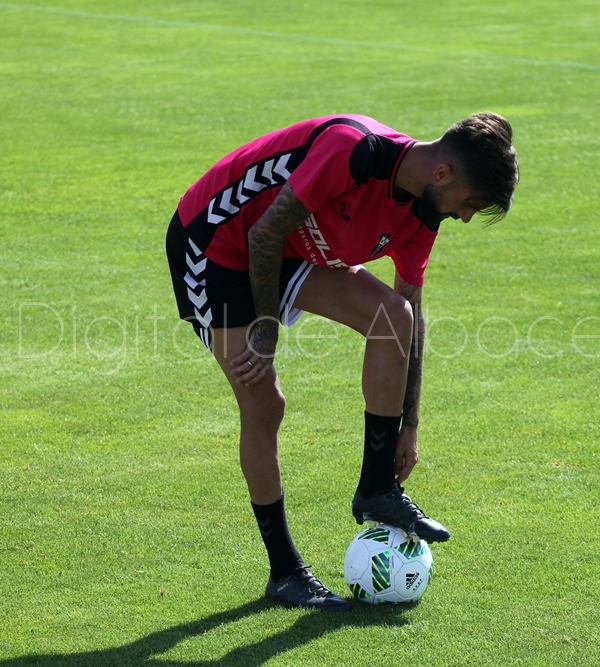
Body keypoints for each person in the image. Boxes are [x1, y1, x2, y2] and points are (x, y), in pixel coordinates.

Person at [166, 113, 518, 611]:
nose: (464, 217)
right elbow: (263, 234)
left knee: (392, 316)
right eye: (470, 204)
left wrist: (409, 426)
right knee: (264, 402)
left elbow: (410, 312)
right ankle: (285, 573)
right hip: (216, 240)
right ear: (443, 174)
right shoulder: (352, 150)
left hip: (284, 245)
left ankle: (376, 488)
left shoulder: (422, 213)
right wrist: (265, 331)